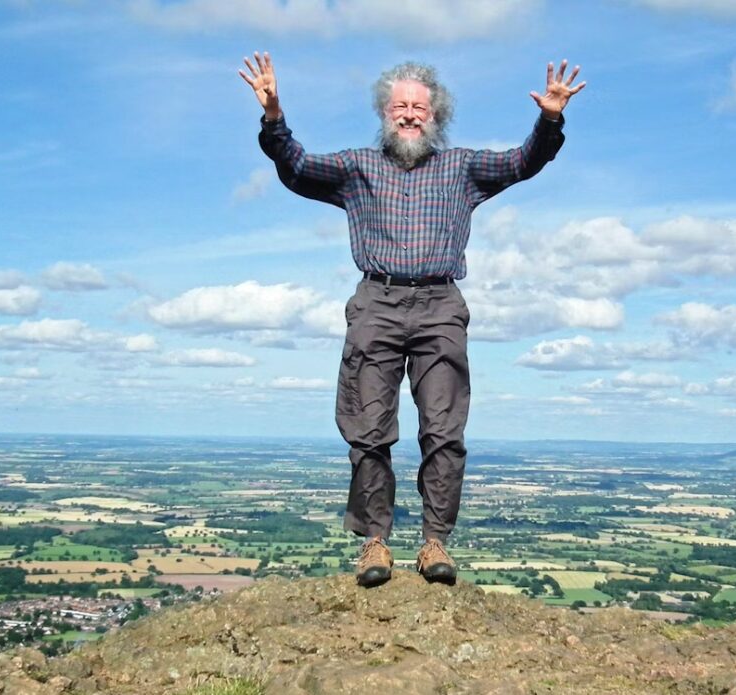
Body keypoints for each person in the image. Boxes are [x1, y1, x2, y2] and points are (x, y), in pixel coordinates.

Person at [240, 52, 585, 587]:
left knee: (444, 431)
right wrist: (273, 118)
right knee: (369, 429)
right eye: (399, 105)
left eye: (418, 107)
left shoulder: (462, 168)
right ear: (384, 111)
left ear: (435, 115)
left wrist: (551, 118)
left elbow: (524, 161)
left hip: (440, 304)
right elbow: (297, 168)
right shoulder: (357, 167)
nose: (408, 114)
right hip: (376, 303)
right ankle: (375, 544)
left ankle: (434, 543)